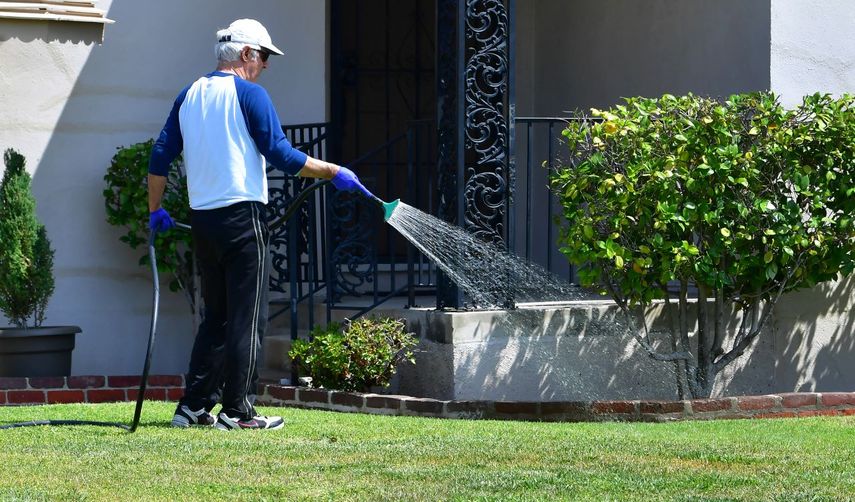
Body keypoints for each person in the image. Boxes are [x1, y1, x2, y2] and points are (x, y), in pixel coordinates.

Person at [148, 18, 372, 431]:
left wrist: (155, 210)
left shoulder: (189, 94)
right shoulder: (251, 94)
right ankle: (238, 412)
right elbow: (282, 155)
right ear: (247, 54)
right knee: (248, 318)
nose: (267, 65)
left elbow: (160, 155)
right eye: (264, 56)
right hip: (241, 218)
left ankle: (193, 407)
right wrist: (333, 170)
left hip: (203, 221)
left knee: (216, 316)